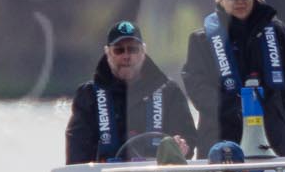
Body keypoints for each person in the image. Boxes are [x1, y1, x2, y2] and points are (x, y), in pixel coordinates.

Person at [182, 0, 285, 159]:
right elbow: (196, 86)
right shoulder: (202, 40)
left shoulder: (277, 32)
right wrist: (234, 107)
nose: (240, 1)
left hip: (273, 135)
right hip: (220, 138)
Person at [66, 21, 197, 164]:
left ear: (143, 52)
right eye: (119, 50)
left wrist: (183, 146)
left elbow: (188, 139)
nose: (126, 56)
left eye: (133, 49)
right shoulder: (88, 95)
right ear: (108, 52)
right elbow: (76, 153)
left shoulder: (170, 92)